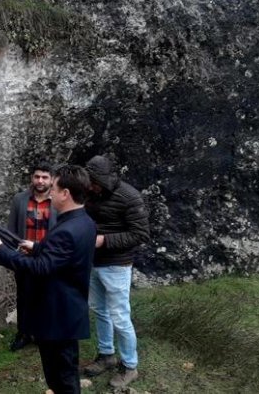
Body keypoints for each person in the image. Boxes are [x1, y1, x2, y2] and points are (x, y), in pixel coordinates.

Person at [0, 165, 95, 394]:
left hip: (57, 315)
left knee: (61, 376)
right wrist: (37, 247)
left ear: (65, 194)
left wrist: (2, 253)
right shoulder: (84, 222)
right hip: (67, 310)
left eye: (54, 189)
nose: (50, 193)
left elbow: (42, 268)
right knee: (63, 370)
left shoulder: (66, 229)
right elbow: (62, 258)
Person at [82, 155, 150, 388]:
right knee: (100, 311)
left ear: (103, 178)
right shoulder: (91, 192)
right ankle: (106, 355)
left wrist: (103, 240)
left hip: (117, 265)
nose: (89, 185)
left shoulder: (129, 196)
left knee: (120, 316)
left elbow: (140, 233)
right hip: (93, 262)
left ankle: (130, 366)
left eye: (93, 181)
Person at [7, 162, 58, 351]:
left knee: (47, 296)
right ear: (32, 178)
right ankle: (24, 333)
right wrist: (13, 253)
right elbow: (11, 230)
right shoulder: (20, 199)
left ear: (52, 180)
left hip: (48, 257)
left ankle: (44, 333)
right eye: (37, 176)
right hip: (24, 258)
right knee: (24, 296)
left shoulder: (57, 202)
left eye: (45, 177)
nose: (40, 181)